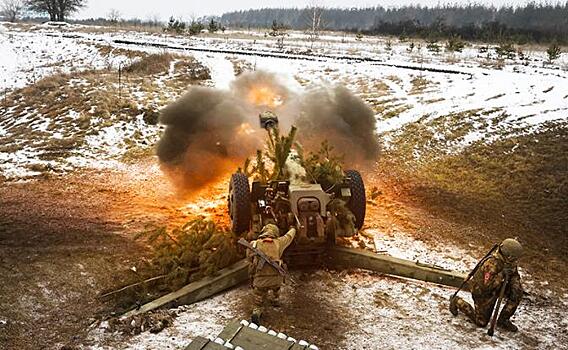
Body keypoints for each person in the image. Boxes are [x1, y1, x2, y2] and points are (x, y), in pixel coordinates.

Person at [450, 238, 524, 332]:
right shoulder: (491, 265)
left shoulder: (508, 262)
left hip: (497, 286)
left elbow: (514, 273)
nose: (516, 260)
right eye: (514, 258)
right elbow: (486, 286)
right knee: (481, 322)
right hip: (482, 292)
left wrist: (515, 286)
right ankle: (457, 301)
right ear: (509, 256)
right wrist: (501, 276)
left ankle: (503, 320)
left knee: (517, 293)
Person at [247, 223, 296, 324]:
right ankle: (275, 299)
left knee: (259, 294)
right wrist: (293, 228)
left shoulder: (254, 244)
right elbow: (289, 236)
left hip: (260, 280)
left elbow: (249, 258)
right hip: (276, 280)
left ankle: (257, 310)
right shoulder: (279, 242)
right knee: (276, 288)